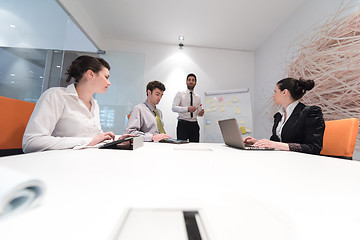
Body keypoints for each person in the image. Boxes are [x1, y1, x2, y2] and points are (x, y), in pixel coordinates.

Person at [22, 55, 130, 153]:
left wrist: (115, 141)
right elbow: (31, 142)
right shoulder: (55, 96)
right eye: (106, 77)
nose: (109, 82)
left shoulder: (94, 104)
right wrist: (89, 141)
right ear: (91, 74)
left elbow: (95, 137)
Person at [244, 77, 325, 155]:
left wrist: (274, 144)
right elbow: (276, 142)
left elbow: (314, 148)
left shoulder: (311, 112)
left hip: (301, 162)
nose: (273, 96)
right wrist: (258, 142)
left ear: (284, 92)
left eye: (275, 91)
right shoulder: (279, 116)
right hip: (283, 159)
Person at [172, 73, 205, 142]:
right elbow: (174, 108)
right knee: (181, 148)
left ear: (195, 83)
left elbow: (198, 113)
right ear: (186, 82)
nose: (191, 81)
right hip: (182, 124)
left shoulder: (198, 97)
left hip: (194, 125)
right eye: (189, 80)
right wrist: (187, 109)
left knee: (195, 147)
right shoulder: (180, 94)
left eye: (193, 80)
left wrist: (200, 114)